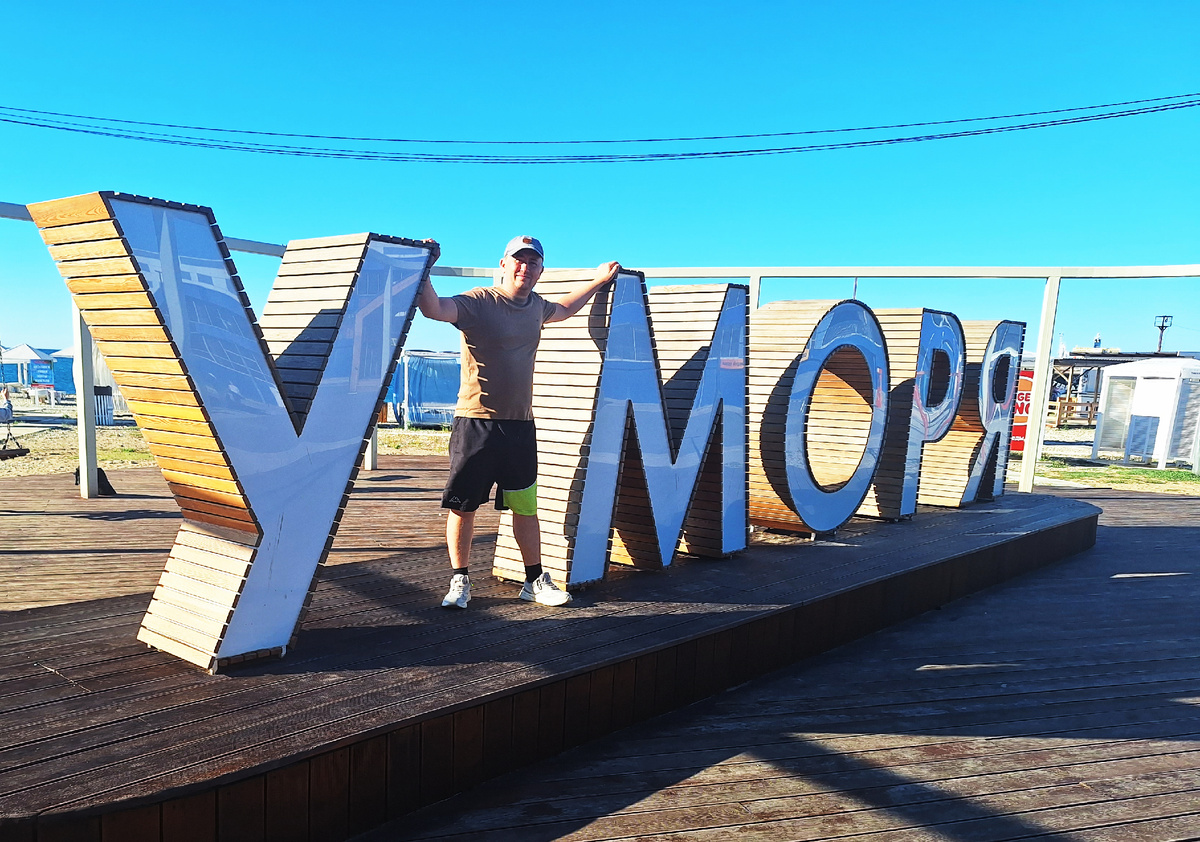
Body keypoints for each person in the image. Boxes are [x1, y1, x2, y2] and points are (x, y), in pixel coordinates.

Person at [418, 235, 620, 609]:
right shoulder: (479, 301)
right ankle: (460, 580)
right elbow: (433, 309)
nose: (525, 267)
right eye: (518, 260)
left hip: (520, 427)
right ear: (504, 264)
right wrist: (425, 266)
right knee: (464, 507)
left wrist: (598, 280)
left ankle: (533, 581)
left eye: (533, 262)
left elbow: (565, 308)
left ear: (540, 270)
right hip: (476, 422)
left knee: (526, 507)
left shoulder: (537, 307)